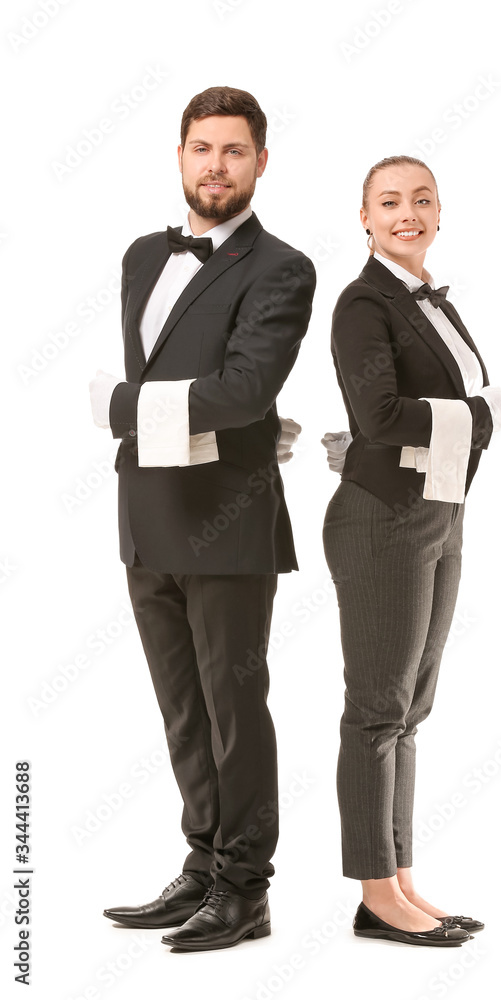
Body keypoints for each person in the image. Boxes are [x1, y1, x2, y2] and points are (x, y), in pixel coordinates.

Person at [88, 86, 316, 952]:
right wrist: (167, 416)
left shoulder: (283, 266)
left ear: (261, 161)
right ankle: (202, 865)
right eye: (200, 148)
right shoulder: (143, 256)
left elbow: (244, 391)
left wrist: (118, 406)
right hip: (145, 509)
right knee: (182, 709)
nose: (214, 165)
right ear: (179, 156)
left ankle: (246, 888)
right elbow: (188, 384)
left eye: (233, 150)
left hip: (229, 515)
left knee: (233, 704)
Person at [321, 154, 501, 948]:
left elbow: (428, 415)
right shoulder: (363, 302)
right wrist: (483, 412)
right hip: (381, 523)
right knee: (375, 714)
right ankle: (373, 894)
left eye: (422, 200)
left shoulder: (432, 301)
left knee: (411, 712)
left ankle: (397, 879)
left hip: (442, 513)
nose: (408, 213)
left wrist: (472, 410)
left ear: (441, 211)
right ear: (363, 217)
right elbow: (380, 416)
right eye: (390, 202)